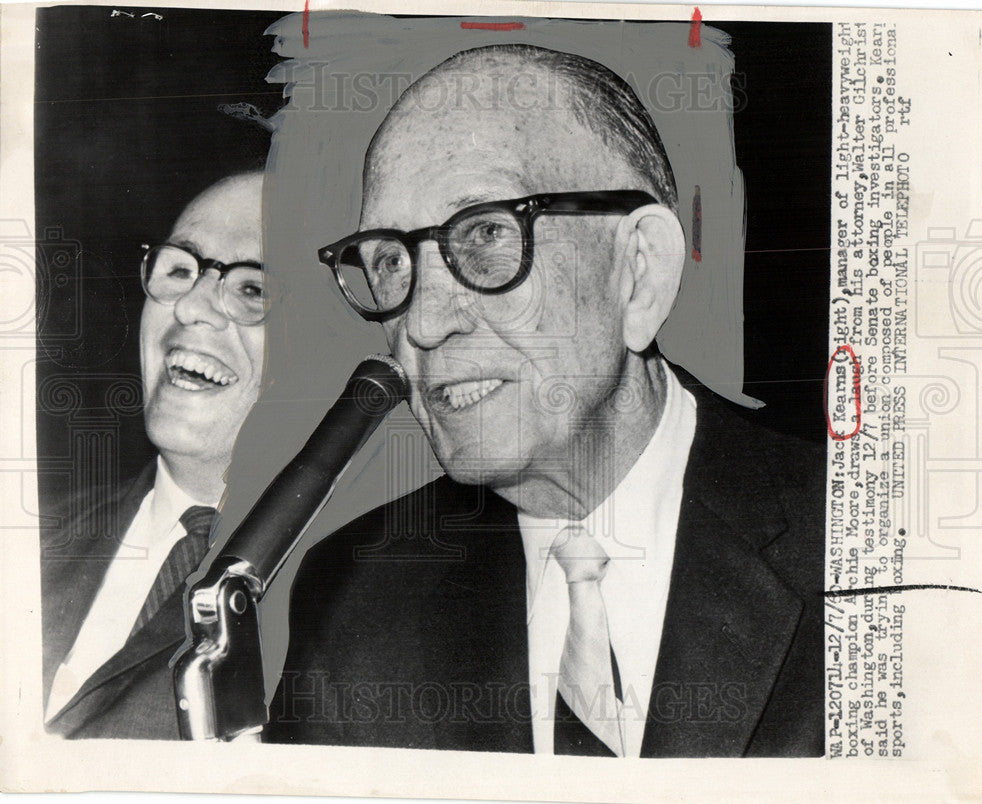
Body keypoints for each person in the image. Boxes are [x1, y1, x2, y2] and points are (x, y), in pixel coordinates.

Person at [265, 44, 824, 757]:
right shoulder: (355, 593)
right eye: (389, 262)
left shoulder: (867, 548)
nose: (423, 323)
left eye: (488, 234)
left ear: (638, 272)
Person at [41, 171, 267, 739]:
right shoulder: (28, 537)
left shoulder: (354, 600)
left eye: (253, 289)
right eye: (179, 269)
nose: (191, 306)